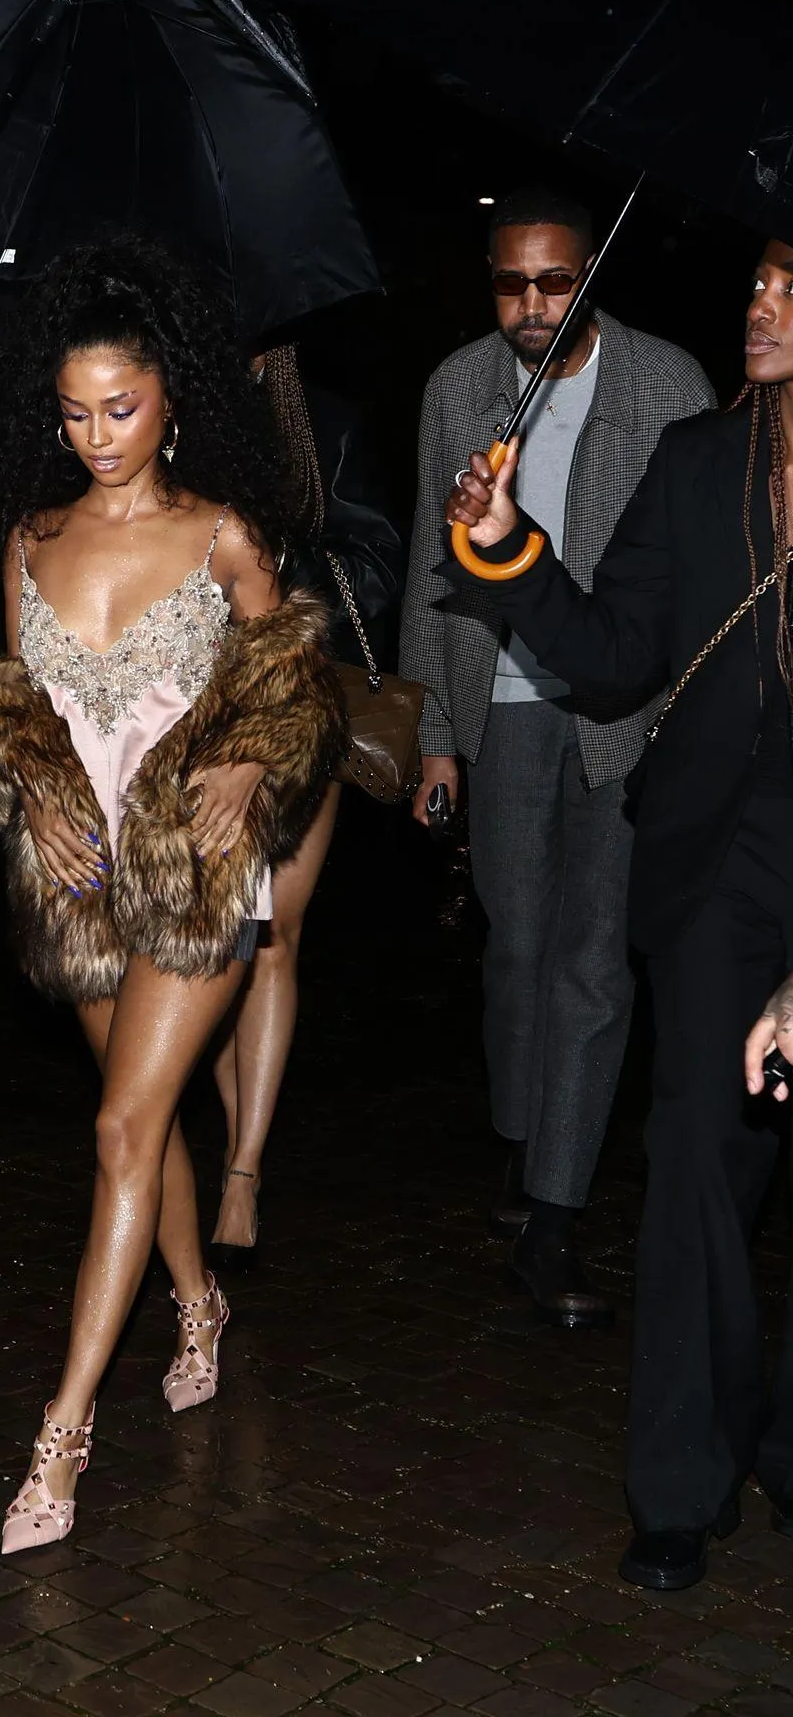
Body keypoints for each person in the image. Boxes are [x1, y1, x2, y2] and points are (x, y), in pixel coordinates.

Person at [0, 237, 343, 1552]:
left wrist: (253, 756)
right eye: (73, 413)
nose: (97, 435)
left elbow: (294, 685)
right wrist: (33, 787)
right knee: (146, 1121)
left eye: (119, 408)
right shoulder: (31, 538)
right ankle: (197, 1303)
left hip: (192, 875)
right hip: (78, 884)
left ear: (172, 400)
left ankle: (60, 1439)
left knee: (120, 1126)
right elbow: (11, 708)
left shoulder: (222, 535)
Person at [444, 234, 793, 1591]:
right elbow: (607, 661)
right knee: (701, 1162)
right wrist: (506, 551)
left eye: (790, 287)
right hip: (718, 868)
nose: (759, 305)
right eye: (756, 280)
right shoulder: (702, 463)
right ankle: (682, 1484)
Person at [401, 186, 714, 1325]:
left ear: (590, 277)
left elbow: (697, 575)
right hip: (501, 703)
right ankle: (524, 1138)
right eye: (510, 283)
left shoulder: (666, 384)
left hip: (626, 714)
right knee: (516, 947)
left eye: (555, 281)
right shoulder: (457, 386)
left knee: (592, 961)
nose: (532, 304)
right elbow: (430, 569)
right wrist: (437, 738)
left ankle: (553, 1215)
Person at [207, 346, 402, 1262]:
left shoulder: (321, 415)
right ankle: (229, 1129)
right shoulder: (157, 407)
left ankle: (243, 1171)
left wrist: (281, 565)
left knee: (273, 935)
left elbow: (380, 561)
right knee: (215, 936)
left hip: (296, 702)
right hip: (189, 710)